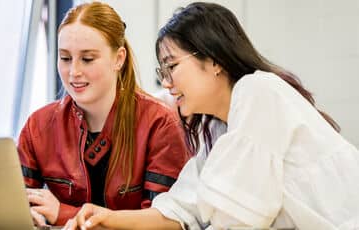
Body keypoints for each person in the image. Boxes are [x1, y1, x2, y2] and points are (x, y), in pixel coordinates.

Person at [63, 2, 359, 230]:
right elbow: (179, 210)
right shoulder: (216, 128)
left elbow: (242, 216)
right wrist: (109, 218)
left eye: (172, 66)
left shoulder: (259, 91)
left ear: (213, 60)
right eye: (162, 71)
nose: (167, 82)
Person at [17, 1, 192, 226]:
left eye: (88, 59)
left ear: (118, 58)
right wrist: (28, 215)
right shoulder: (38, 126)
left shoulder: (159, 124)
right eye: (65, 58)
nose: (74, 72)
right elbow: (18, 202)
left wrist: (63, 213)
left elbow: (162, 223)